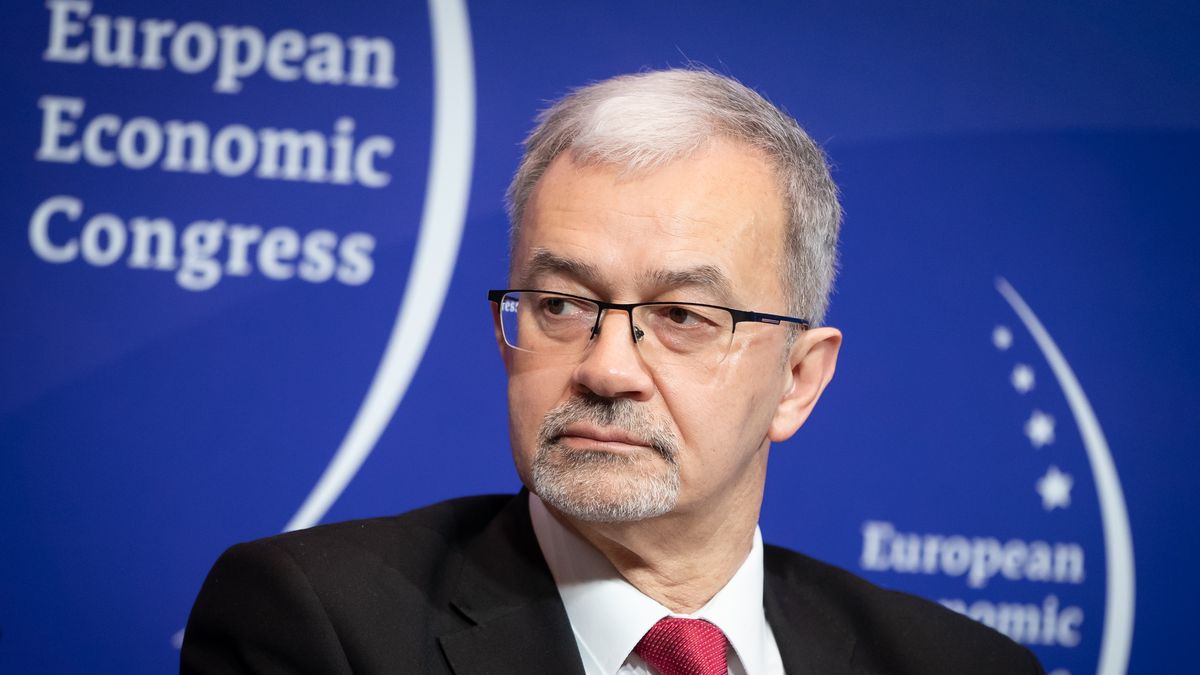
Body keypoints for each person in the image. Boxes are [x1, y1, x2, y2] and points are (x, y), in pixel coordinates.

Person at [181, 69, 1044, 675]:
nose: (606, 367)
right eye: (560, 304)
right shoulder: (320, 624)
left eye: (681, 317)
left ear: (797, 380)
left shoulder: (964, 663)